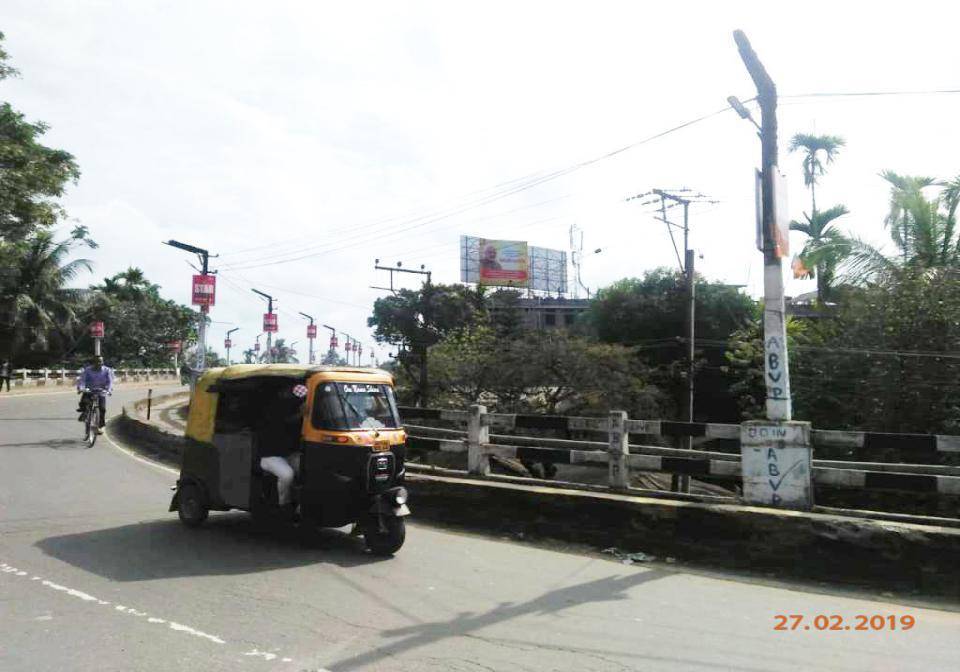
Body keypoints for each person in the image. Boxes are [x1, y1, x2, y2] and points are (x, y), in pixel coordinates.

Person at [258, 384, 307, 508]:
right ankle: (283, 504)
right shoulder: (273, 409)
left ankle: (301, 505)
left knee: (310, 470)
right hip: (270, 456)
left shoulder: (294, 404)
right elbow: (284, 421)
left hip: (289, 453)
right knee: (287, 475)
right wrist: (301, 414)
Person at [76, 356, 114, 433]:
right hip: (89, 390)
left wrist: (109, 390)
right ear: (93, 363)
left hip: (101, 391)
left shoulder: (107, 370)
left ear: (103, 362)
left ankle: (101, 426)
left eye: (101, 361)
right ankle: (85, 414)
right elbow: (82, 380)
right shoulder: (87, 370)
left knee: (102, 409)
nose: (99, 363)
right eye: (97, 362)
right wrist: (81, 388)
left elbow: (110, 382)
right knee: (84, 402)